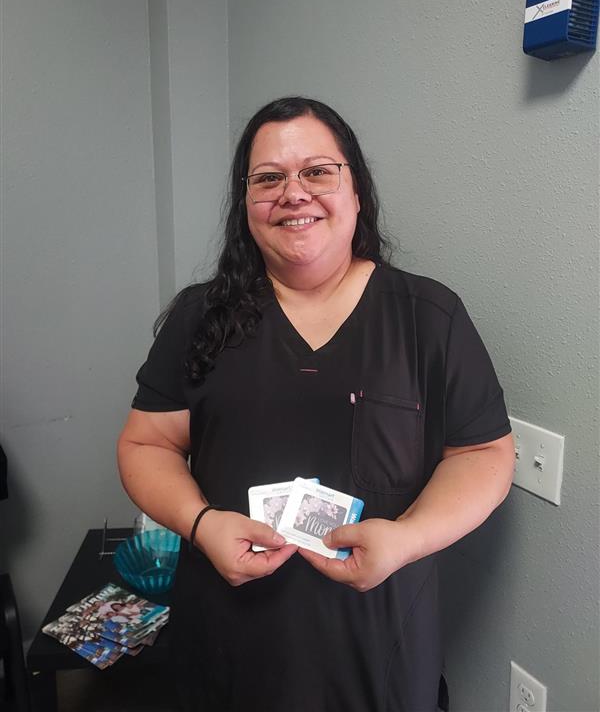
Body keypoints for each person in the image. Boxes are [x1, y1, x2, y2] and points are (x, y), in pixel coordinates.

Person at [117, 97, 515, 712]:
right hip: (225, 647)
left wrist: (407, 539)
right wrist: (200, 523)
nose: (292, 193)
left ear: (355, 191)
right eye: (268, 178)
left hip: (379, 655)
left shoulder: (428, 317)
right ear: (245, 205)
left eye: (317, 172)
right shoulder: (200, 318)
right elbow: (147, 443)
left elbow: (484, 453)